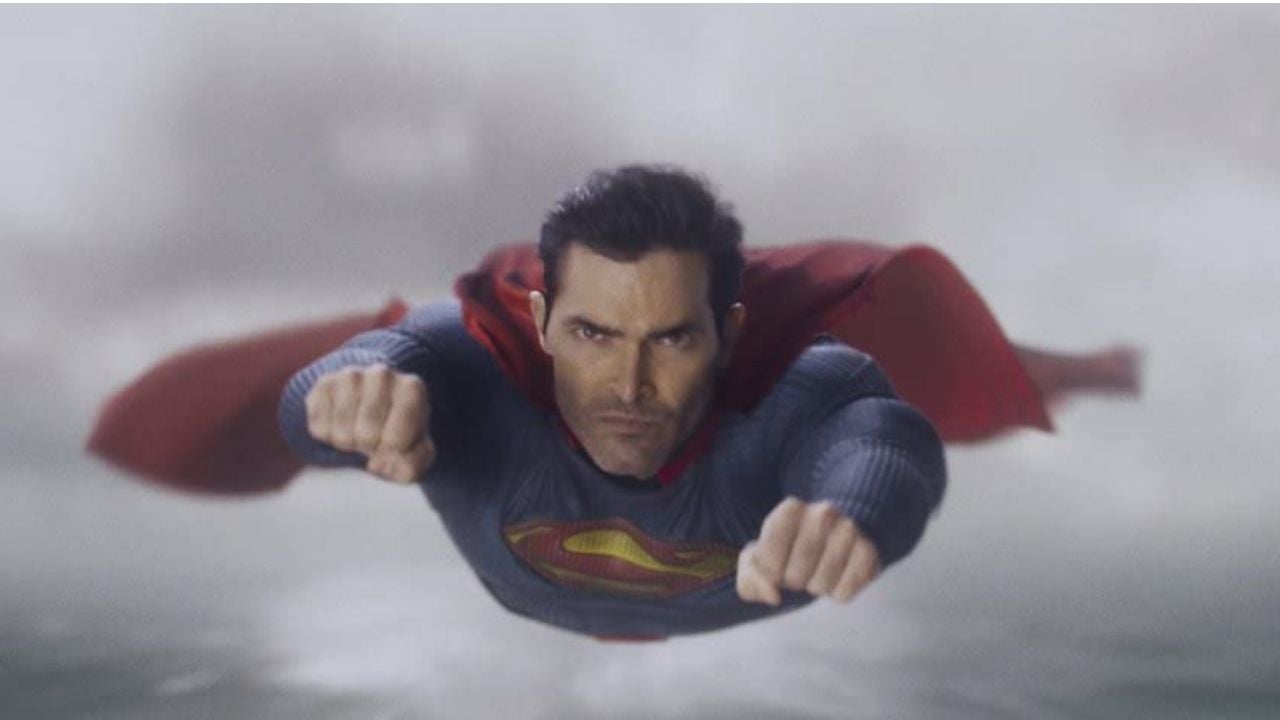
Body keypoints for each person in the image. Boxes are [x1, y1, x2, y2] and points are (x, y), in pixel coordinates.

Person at [277, 165, 949, 641]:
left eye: (673, 339)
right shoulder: (469, 364)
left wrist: (856, 511)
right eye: (593, 334)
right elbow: (353, 375)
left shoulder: (798, 390)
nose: (630, 385)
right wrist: (348, 399)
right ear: (541, 322)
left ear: (727, 337)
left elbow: (881, 439)